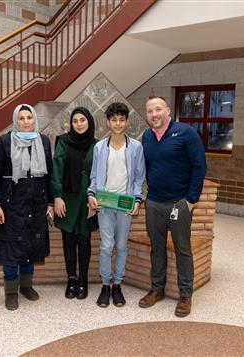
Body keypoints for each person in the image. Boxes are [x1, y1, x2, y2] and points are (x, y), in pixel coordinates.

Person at [139, 95, 206, 317]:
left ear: (168, 111)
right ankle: (156, 289)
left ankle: (185, 295)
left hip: (179, 203)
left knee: (182, 249)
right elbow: (146, 167)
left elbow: (199, 166)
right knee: (157, 248)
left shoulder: (186, 133)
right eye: (150, 111)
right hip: (154, 203)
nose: (154, 114)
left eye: (158, 109)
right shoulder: (147, 136)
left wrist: (191, 200)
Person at [0, 103, 53, 311]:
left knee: (31, 245)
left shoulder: (43, 141)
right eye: (22, 118)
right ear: (16, 120)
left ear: (34, 119)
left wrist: (50, 202)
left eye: (29, 118)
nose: (26, 122)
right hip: (12, 204)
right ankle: (10, 292)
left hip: (36, 203)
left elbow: (49, 175)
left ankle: (26, 286)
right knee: (11, 248)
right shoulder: (5, 141)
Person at [88, 102, 145, 308]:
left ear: (127, 121)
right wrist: (91, 195)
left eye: (122, 119)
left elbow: (139, 177)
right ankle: (105, 284)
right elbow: (94, 176)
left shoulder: (136, 147)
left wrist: (137, 199)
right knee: (106, 246)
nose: (118, 123)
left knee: (121, 246)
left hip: (125, 204)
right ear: (108, 122)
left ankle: (117, 284)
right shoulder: (99, 147)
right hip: (104, 204)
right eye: (114, 120)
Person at [50, 107, 98, 300]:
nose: (78, 124)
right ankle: (71, 278)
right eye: (75, 121)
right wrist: (57, 197)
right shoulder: (63, 141)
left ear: (89, 122)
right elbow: (57, 169)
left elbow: (100, 173)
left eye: (82, 120)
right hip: (67, 198)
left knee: (84, 240)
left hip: (88, 198)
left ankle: (83, 280)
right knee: (68, 240)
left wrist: (94, 200)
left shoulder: (97, 145)